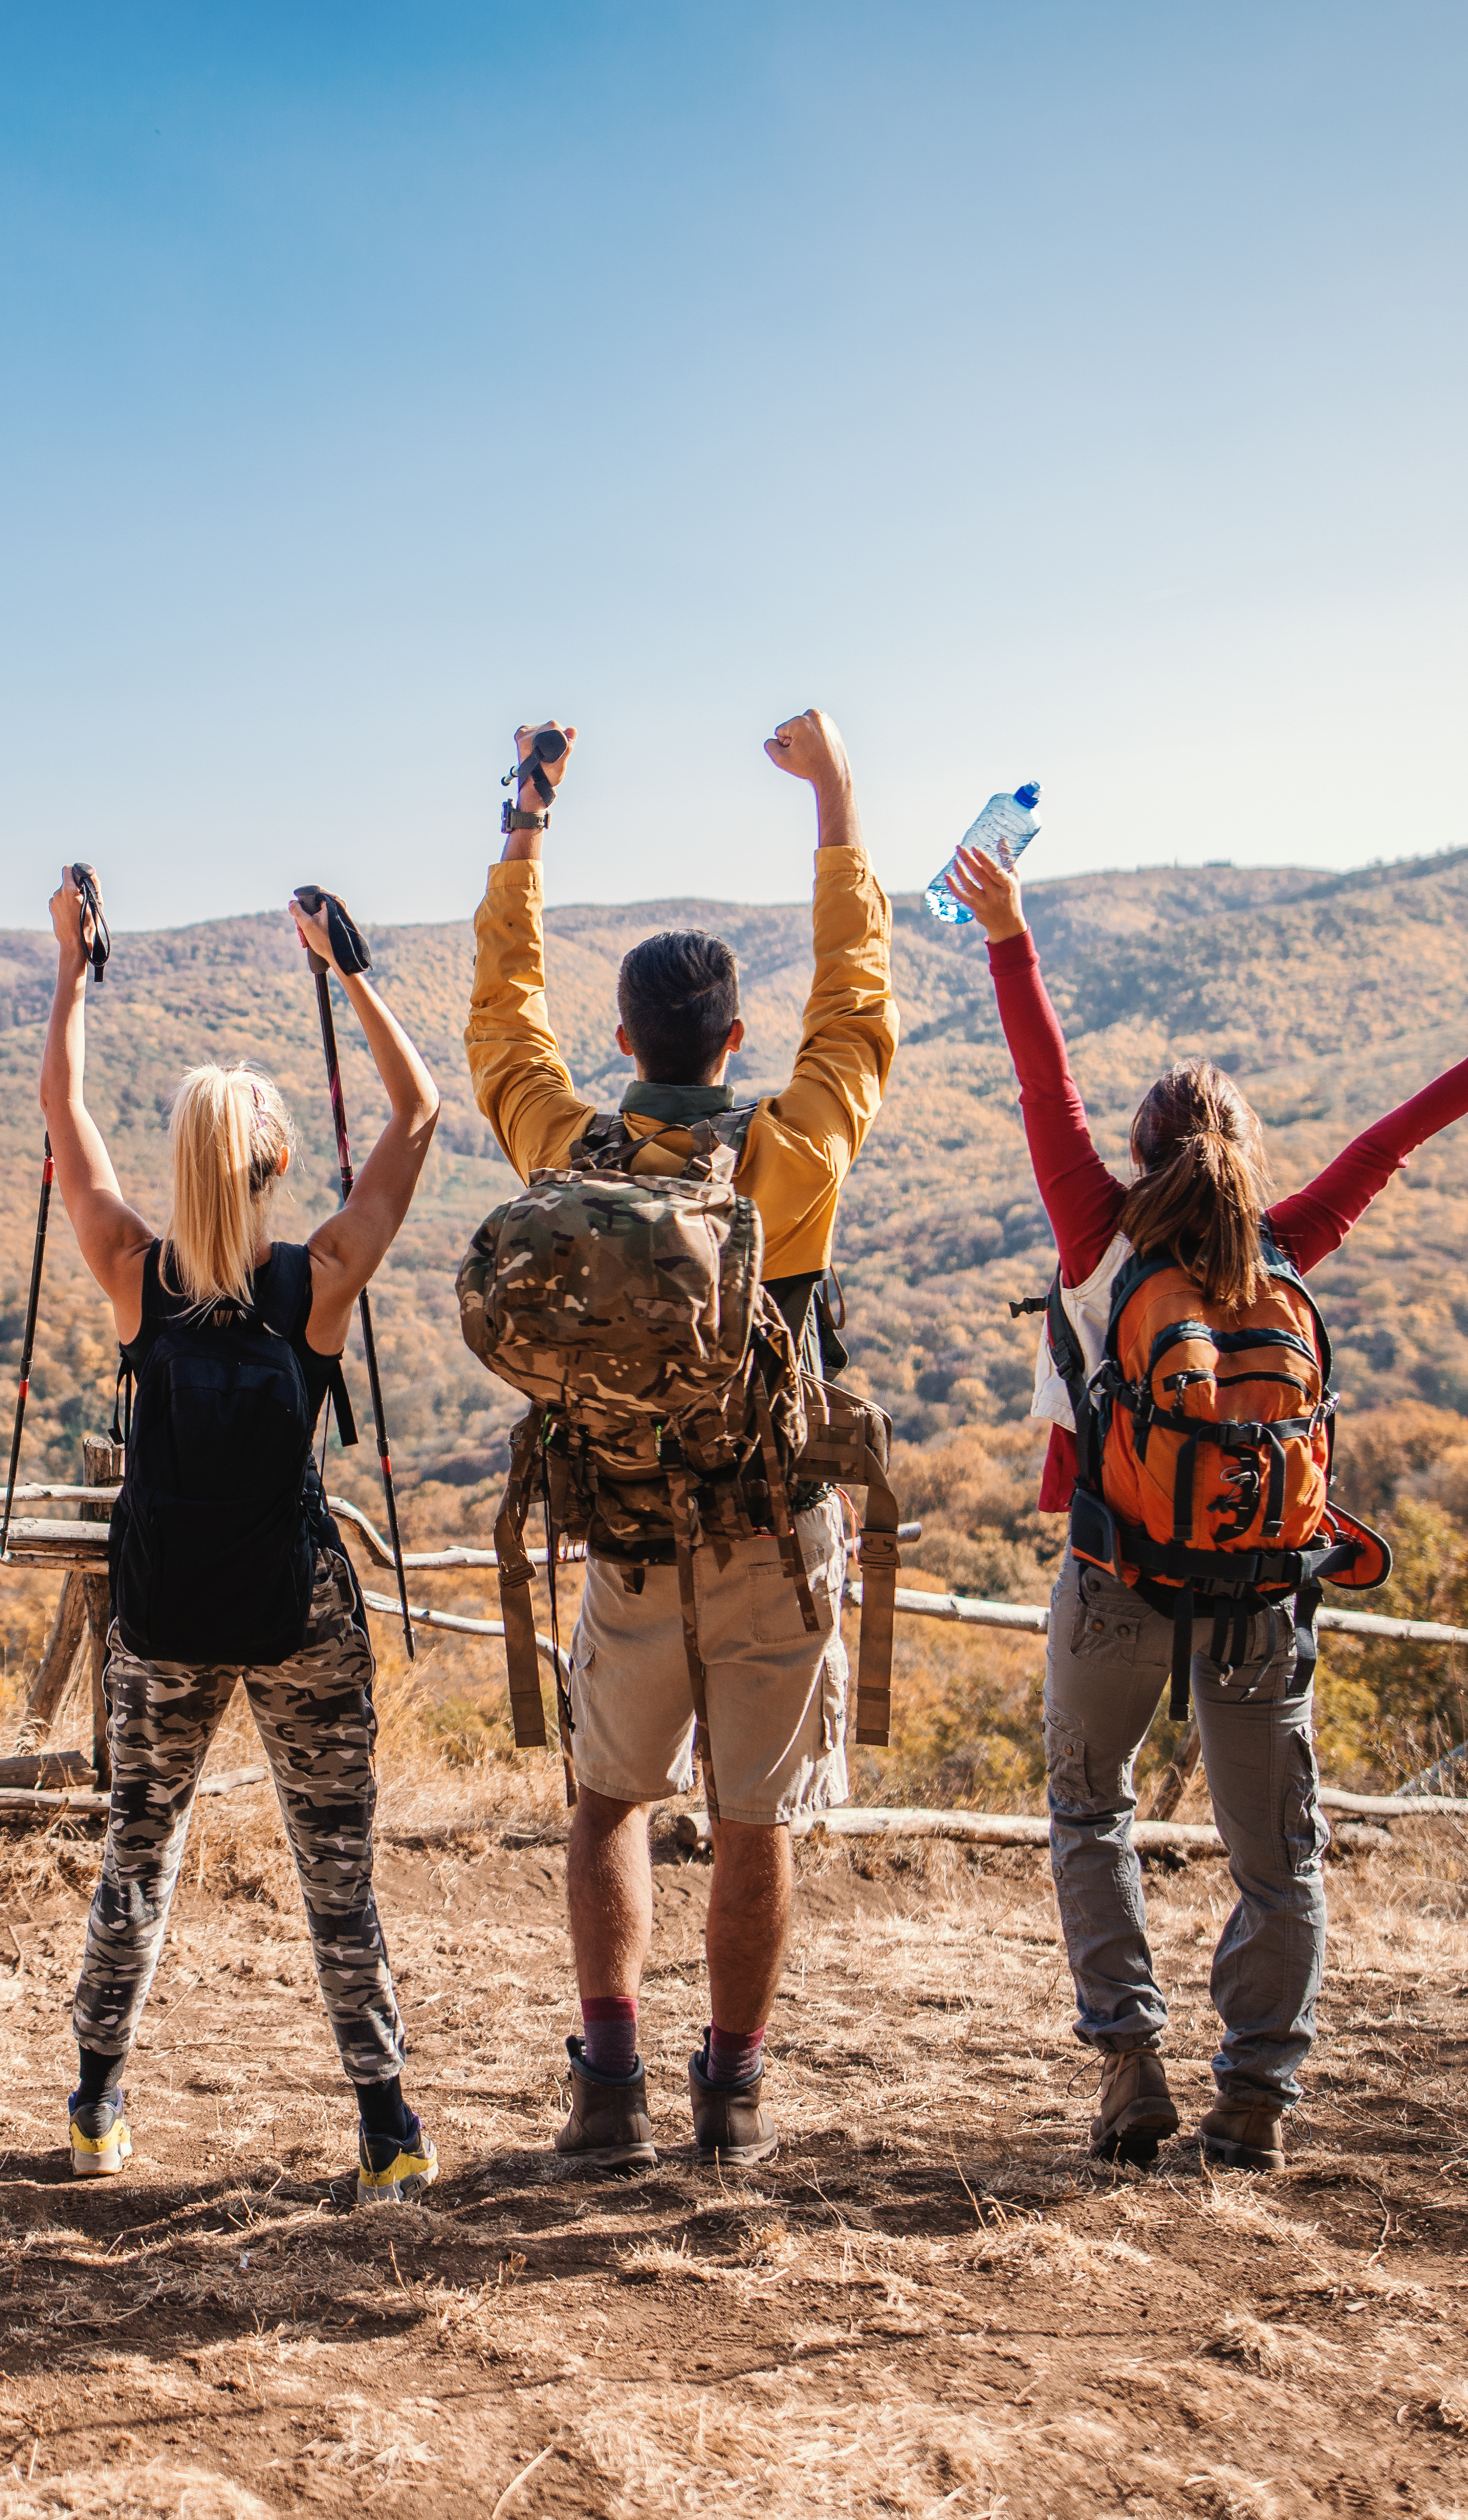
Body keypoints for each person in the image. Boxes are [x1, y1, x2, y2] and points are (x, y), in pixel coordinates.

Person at [943, 842, 1468, 2170]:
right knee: (1275, 1856)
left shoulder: (1097, 1230)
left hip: (1116, 1581)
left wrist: (1007, 928)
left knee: (1091, 1812)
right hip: (1259, 1590)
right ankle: (1252, 2097)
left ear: (1140, 1152)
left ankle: (1129, 2068)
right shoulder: (1287, 1243)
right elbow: (1396, 1132)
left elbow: (1041, 1076)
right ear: (1247, 1157)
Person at [465, 711, 896, 2170]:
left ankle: (608, 2087)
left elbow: (500, 1022)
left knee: (606, 1807)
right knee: (754, 1817)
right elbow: (857, 1007)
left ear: (627, 1046)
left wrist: (524, 828)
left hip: (630, 1532)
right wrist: (835, 797)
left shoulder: (560, 1146)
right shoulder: (790, 1160)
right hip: (774, 1541)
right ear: (729, 1043)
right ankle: (735, 2098)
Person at [35, 881, 445, 2199]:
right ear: (273, 1167)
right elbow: (419, 1114)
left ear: (182, 1171)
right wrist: (347, 971)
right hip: (299, 1613)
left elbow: (63, 1115)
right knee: (336, 1861)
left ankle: (96, 2105)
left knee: (135, 1851)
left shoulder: (128, 1272)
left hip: (160, 1610)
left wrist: (70, 972)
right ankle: (384, 2123)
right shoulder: (313, 1285)